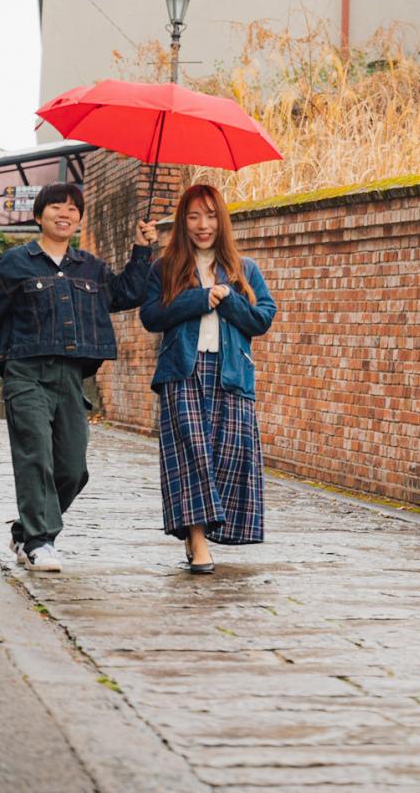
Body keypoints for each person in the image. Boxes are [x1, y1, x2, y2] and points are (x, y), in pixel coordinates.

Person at [0, 183, 157, 573]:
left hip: (71, 377)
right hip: (25, 373)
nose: (65, 213)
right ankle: (40, 543)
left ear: (79, 219)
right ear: (39, 215)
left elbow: (127, 293)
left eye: (73, 208)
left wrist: (143, 250)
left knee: (73, 469)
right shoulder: (15, 263)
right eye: (56, 206)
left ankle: (25, 529)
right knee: (35, 454)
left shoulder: (90, 267)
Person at [140, 182, 277, 573]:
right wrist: (200, 299)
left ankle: (195, 530)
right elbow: (151, 316)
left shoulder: (244, 269)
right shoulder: (165, 268)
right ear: (183, 221)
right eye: (194, 216)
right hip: (181, 371)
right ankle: (198, 543)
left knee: (226, 456)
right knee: (191, 456)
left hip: (231, 374)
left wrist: (229, 298)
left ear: (222, 220)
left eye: (211, 215)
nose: (203, 225)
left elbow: (263, 318)